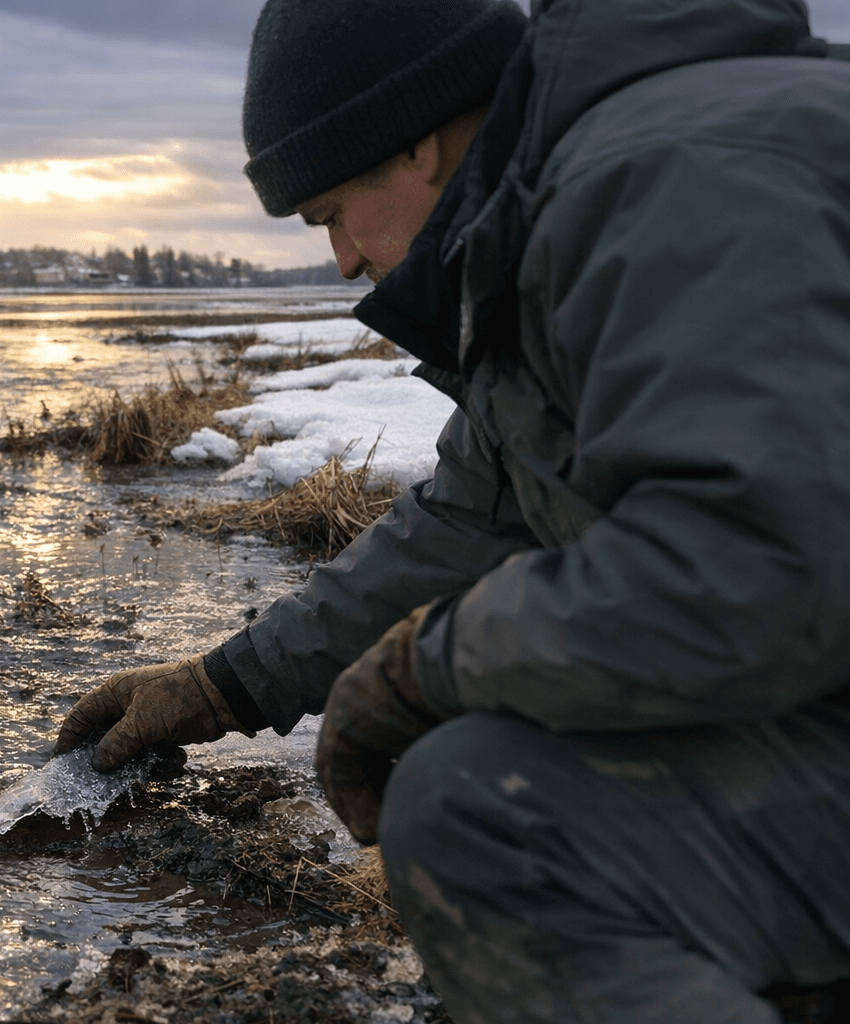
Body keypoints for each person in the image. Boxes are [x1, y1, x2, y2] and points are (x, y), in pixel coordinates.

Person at [54, 0, 850, 1019]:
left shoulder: (666, 181)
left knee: (476, 807)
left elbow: (752, 564)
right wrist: (222, 686)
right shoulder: (571, 197)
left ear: (414, 140)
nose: (343, 259)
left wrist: (427, 668)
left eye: (330, 211)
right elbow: (469, 524)